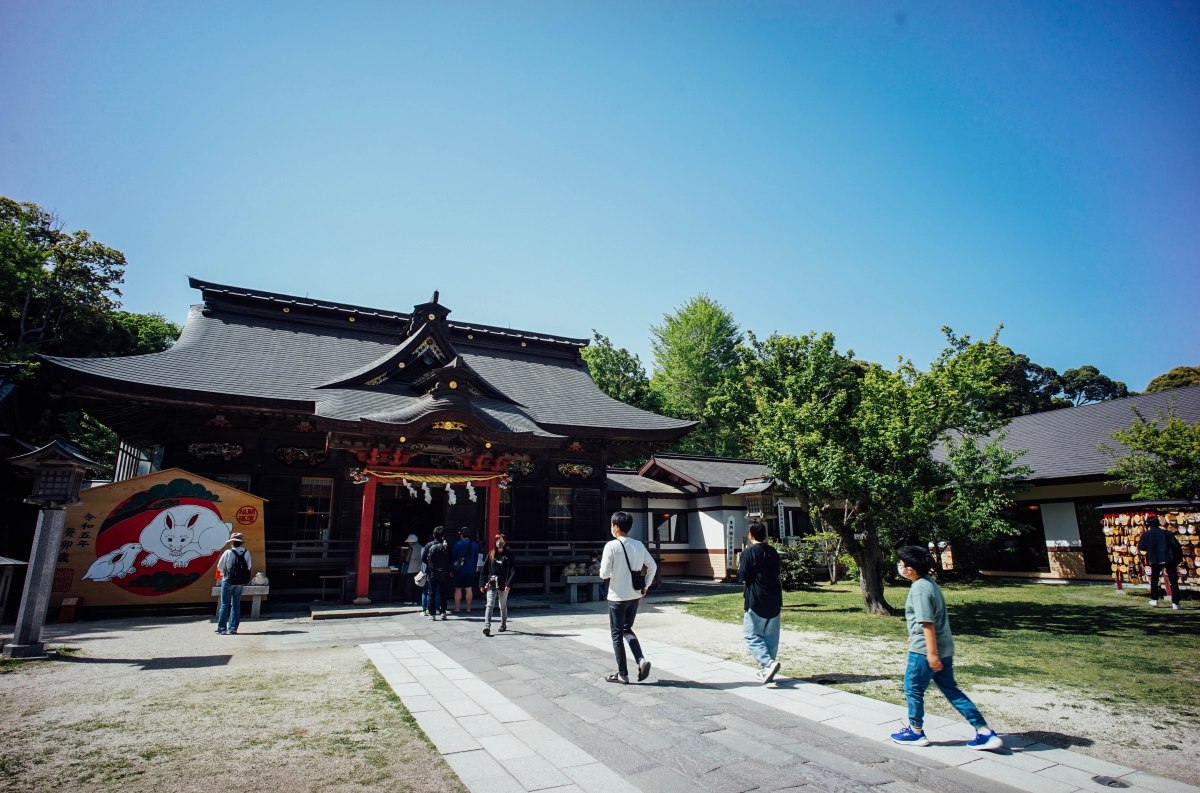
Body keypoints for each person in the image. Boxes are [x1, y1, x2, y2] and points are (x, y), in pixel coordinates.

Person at [891, 545, 1003, 751]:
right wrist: (914, 635)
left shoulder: (919, 589)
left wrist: (931, 654)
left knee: (912, 688)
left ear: (911, 568)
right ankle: (984, 731)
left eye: (901, 563)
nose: (899, 566)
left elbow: (927, 622)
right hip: (942, 646)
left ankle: (915, 731)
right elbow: (926, 621)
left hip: (925, 652)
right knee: (952, 691)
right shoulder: (929, 583)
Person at [599, 510, 657, 684]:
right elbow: (652, 566)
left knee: (617, 634)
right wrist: (645, 586)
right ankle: (640, 660)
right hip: (634, 595)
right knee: (627, 629)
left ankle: (623, 673)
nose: (611, 528)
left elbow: (603, 574)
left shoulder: (611, 546)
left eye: (611, 525)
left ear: (616, 527)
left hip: (617, 596)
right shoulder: (639, 545)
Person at [739, 520, 782, 684]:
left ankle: (767, 663)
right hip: (775, 597)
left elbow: (742, 575)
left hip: (756, 598)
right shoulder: (773, 552)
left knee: (751, 635)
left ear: (750, 535)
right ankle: (767, 670)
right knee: (770, 637)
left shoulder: (749, 553)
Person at [1138, 515, 1183, 610]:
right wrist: (1178, 558)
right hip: (1168, 558)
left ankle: (1154, 600)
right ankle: (1175, 603)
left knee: (1154, 580)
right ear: (1158, 523)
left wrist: (1150, 548)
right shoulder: (1166, 533)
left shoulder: (1146, 535)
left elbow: (1142, 547)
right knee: (1173, 581)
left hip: (1155, 559)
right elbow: (1176, 546)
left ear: (1148, 524)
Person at [478, 532, 516, 636]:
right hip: (492, 581)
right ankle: (487, 626)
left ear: (504, 542)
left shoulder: (509, 555)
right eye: (497, 540)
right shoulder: (491, 554)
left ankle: (503, 624)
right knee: (489, 604)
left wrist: (509, 584)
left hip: (503, 582)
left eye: (501, 541)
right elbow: (485, 570)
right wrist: (482, 584)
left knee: (502, 605)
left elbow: (513, 571)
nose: (499, 542)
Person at [215, 532, 252, 635]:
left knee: (225, 604)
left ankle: (222, 628)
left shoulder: (228, 552)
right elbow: (249, 566)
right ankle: (233, 628)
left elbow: (220, 566)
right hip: (240, 581)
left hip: (228, 579)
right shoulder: (246, 552)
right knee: (236, 604)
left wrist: (223, 574)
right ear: (241, 543)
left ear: (232, 542)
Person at [421, 526, 452, 621]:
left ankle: (432, 614)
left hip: (432, 572)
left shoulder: (428, 545)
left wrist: (430, 565)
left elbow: (423, 558)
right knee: (443, 592)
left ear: (434, 535)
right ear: (443, 535)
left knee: (431, 592)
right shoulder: (446, 545)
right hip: (443, 572)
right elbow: (450, 558)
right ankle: (443, 612)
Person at [451, 528, 481, 613]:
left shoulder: (458, 544)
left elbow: (453, 555)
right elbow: (476, 558)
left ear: (461, 535)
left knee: (458, 589)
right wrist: (474, 567)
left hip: (459, 569)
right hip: (470, 569)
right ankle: (468, 608)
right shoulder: (475, 545)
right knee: (469, 589)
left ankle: (457, 607)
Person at [401, 533, 423, 606]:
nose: (408, 543)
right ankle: (416, 600)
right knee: (417, 585)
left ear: (412, 541)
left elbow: (407, 559)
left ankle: (409, 600)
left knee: (409, 585)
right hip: (419, 568)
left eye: (409, 541)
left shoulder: (411, 548)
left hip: (410, 568)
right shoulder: (421, 547)